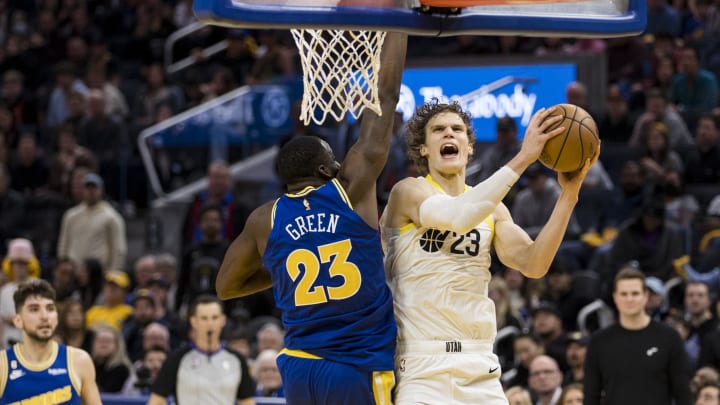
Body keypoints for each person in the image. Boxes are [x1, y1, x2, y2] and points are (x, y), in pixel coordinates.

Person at [215, 32, 407, 405]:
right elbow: (385, 96)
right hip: (355, 366)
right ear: (324, 168)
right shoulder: (350, 189)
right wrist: (397, 24)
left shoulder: (264, 218)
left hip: (300, 366)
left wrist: (283, 273)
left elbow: (225, 287)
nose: (340, 163)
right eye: (334, 159)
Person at [381, 98, 598, 403]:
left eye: (457, 129)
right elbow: (457, 217)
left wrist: (569, 196)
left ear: (470, 147)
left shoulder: (494, 211)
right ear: (423, 149)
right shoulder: (409, 191)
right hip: (422, 365)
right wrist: (524, 157)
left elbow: (534, 264)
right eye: (438, 130)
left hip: (479, 364)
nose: (449, 134)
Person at [583, 267, 692, 405]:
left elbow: (683, 392)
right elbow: (591, 396)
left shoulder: (669, 338)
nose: (629, 299)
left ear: (645, 296)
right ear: (615, 297)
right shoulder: (599, 341)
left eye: (635, 293)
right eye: (624, 294)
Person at [0, 279, 101, 404]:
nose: (44, 316)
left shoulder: (79, 360)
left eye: (50, 308)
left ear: (57, 317)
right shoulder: (3, 365)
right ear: (18, 321)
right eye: (34, 309)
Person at [148, 295, 255, 405]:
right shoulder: (176, 359)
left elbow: (247, 401)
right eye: (204, 318)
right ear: (194, 321)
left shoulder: (237, 360)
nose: (210, 324)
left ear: (223, 320)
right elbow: (156, 400)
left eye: (214, 318)